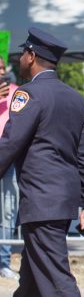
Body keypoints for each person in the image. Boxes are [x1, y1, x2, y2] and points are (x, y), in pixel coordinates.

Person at [0, 27, 84, 297]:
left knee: (57, 279)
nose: (20, 58)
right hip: (60, 201)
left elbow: (10, 144)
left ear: (31, 56)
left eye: (23, 54)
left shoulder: (28, 97)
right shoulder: (75, 99)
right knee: (31, 284)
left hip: (40, 201)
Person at [0, 56, 19, 279]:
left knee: (8, 210)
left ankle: (3, 261)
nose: (1, 71)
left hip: (9, 160)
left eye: (3, 68)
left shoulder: (16, 92)